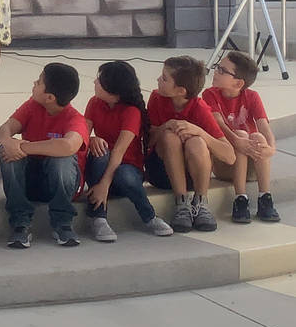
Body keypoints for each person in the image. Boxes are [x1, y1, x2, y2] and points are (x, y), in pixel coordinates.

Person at [0, 63, 87, 248]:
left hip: (58, 185)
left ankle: (63, 222)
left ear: (50, 97)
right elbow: (4, 129)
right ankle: (20, 223)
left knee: (62, 158)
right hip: (29, 182)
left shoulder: (74, 118)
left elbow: (68, 145)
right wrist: (8, 142)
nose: (34, 83)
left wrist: (23, 147)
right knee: (5, 150)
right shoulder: (32, 106)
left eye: (38, 82)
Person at [83, 61, 173, 241]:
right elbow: (82, 135)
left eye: (100, 80)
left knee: (124, 174)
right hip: (101, 166)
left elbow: (119, 152)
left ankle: (149, 217)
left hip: (126, 167)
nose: (94, 82)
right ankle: (98, 218)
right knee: (100, 152)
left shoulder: (131, 112)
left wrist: (104, 186)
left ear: (114, 92)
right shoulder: (94, 103)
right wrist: (92, 139)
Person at [146, 56, 235, 233]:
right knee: (170, 137)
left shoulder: (200, 108)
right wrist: (166, 126)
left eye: (164, 78)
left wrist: (200, 132)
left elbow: (229, 156)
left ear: (180, 91)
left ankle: (200, 203)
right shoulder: (157, 98)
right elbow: (148, 142)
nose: (158, 80)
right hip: (162, 172)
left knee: (197, 141)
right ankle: (181, 204)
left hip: (194, 176)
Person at [203, 51, 280, 223]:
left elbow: (264, 126)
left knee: (259, 137)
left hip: (252, 167)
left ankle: (265, 197)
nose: (216, 71)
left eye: (222, 70)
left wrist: (271, 148)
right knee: (241, 134)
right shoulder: (210, 94)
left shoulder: (252, 96)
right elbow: (218, 123)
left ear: (238, 83)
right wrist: (237, 141)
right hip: (226, 164)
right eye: (217, 67)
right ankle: (240, 199)